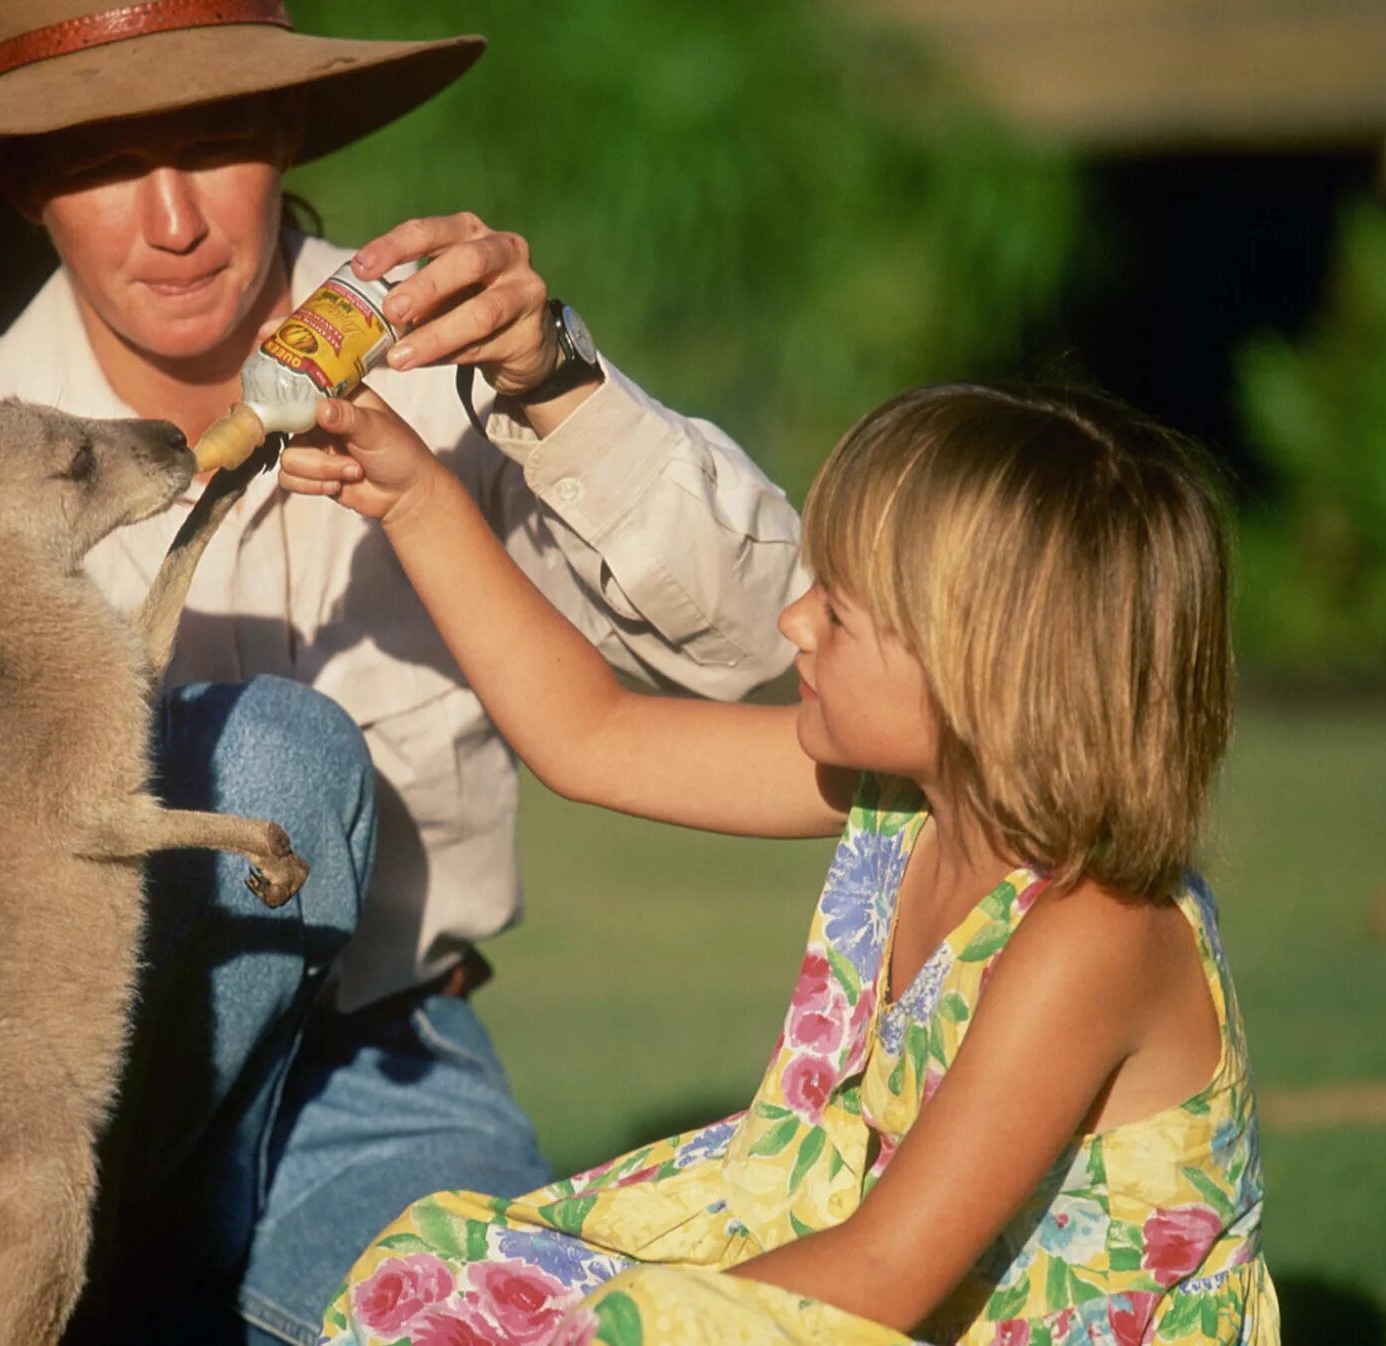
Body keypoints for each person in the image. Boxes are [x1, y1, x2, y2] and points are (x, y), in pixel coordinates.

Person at [0, 3, 804, 1343]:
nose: (174, 219)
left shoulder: (441, 360)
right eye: (102, 160)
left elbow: (760, 643)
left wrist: (557, 381)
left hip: (381, 1063)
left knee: (500, 1322)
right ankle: (117, 1274)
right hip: (78, 1108)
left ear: (285, 132)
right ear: (27, 183)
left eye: (215, 141)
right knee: (274, 758)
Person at [288, 382, 1280, 1345]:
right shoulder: (906, 799)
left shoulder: (1091, 932)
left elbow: (880, 1275)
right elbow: (590, 735)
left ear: (983, 671)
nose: (793, 623)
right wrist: (418, 498)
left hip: (892, 1300)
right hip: (876, 1302)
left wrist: (606, 1323)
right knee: (450, 1274)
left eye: (837, 613)